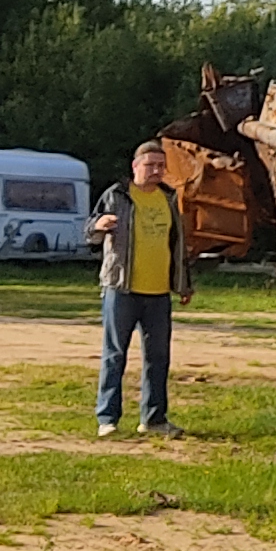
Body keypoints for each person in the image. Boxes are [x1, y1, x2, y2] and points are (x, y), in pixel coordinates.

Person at [92, 141, 196, 436]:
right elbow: (89, 232)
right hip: (121, 290)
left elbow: (177, 245)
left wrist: (183, 283)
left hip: (158, 293)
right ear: (135, 167)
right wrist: (99, 226)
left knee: (158, 357)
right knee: (115, 355)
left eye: (161, 166)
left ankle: (154, 420)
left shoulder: (169, 198)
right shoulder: (117, 196)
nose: (156, 171)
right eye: (150, 165)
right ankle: (107, 419)